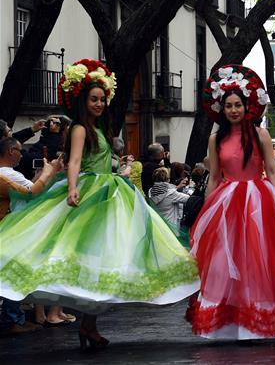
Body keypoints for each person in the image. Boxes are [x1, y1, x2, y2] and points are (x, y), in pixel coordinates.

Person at [0, 59, 198, 349]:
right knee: (90, 253)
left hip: (111, 190)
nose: (99, 104)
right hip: (93, 191)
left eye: (102, 99)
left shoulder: (98, 128)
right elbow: (76, 161)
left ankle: (88, 326)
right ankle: (86, 326)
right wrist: (71, 188)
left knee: (106, 256)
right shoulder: (80, 128)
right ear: (83, 100)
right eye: (94, 99)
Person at [187, 64, 275, 340]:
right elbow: (214, 177)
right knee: (225, 261)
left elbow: (271, 169)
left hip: (258, 201)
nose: (233, 110)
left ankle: (256, 321)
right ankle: (226, 323)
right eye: (229, 105)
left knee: (260, 261)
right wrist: (208, 210)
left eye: (238, 105)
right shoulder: (215, 139)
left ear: (247, 107)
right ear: (222, 108)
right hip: (227, 202)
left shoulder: (260, 135)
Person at [0, 136, 65, 335]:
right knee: (13, 272)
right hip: (8, 228)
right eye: (20, 151)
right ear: (11, 151)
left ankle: (14, 318)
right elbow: (32, 192)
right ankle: (12, 320)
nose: (22, 155)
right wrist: (49, 172)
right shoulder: (5, 175)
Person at [148, 167, 191, 236]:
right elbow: (189, 199)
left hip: (156, 226)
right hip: (170, 229)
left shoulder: (151, 191)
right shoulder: (171, 194)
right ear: (167, 179)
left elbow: (165, 190)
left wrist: (176, 187)